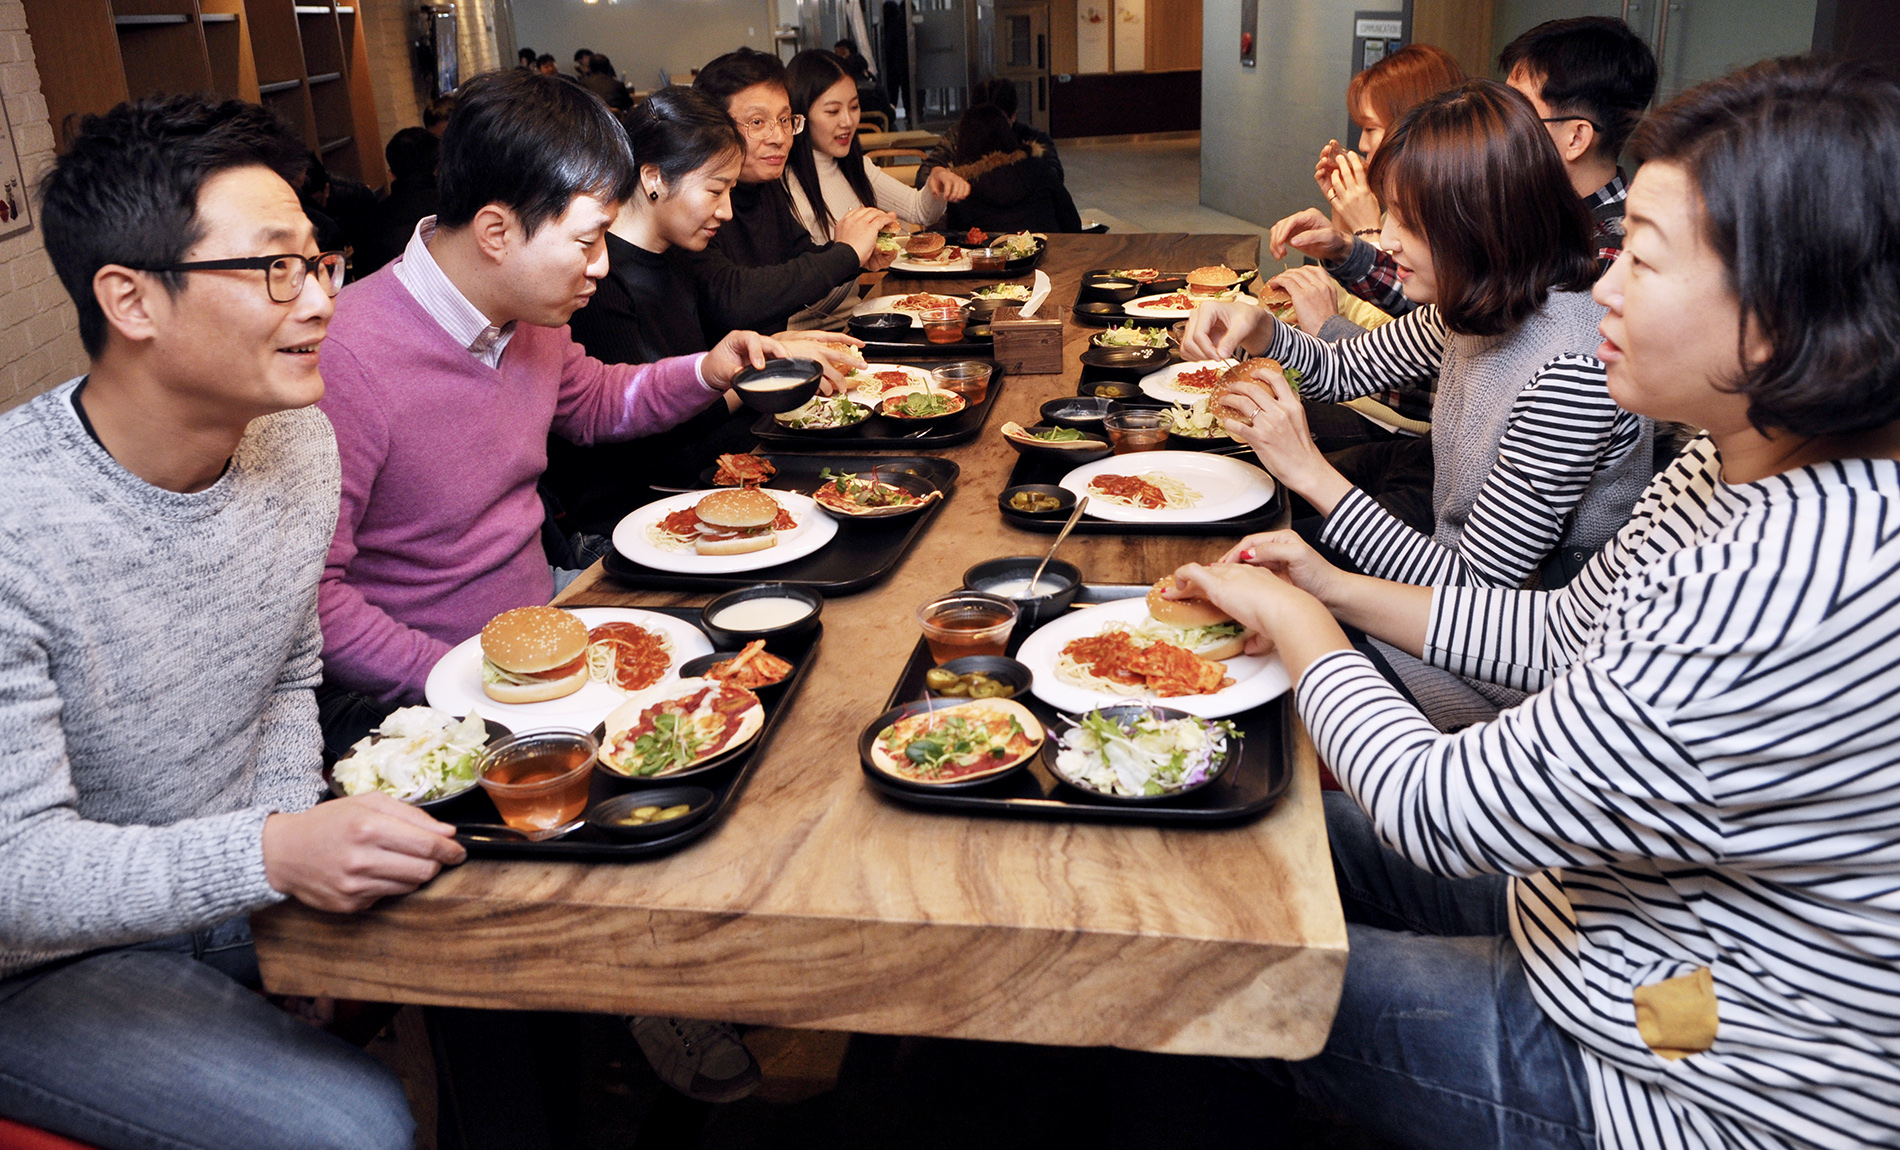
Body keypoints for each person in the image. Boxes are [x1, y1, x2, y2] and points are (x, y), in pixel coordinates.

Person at [1170, 55, 1900, 1150]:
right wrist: (1321, 579)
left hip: (1673, 1074)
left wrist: (1307, 622)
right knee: (1228, 837)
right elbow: (1557, 628)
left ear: (1783, 314)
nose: (1603, 285)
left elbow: (1441, 806)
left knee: (1201, 971)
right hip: (1606, 916)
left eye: (1642, 262)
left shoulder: (1792, 581)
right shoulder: (1731, 455)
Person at [0, 92, 463, 1150]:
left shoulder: (294, 441)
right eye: (272, 269)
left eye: (320, 260)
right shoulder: (14, 525)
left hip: (225, 877)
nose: (318, 302)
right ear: (131, 299)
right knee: (356, 1126)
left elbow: (288, 666)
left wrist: (271, 878)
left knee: (527, 907)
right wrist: (270, 857)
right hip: (37, 962)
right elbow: (13, 873)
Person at [314, 69, 785, 732]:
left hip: (559, 627)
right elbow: (317, 604)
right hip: (434, 700)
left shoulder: (529, 314)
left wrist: (708, 370)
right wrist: (469, 682)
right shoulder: (343, 359)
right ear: (497, 232)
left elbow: (594, 400)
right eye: (588, 240)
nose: (601, 265)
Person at [1186, 80, 1651, 731]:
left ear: (1479, 224)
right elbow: (1344, 368)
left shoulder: (1569, 367)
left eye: (1406, 218)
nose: (1387, 240)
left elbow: (1477, 600)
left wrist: (1311, 476)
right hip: (1440, 614)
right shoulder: (1481, 300)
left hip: (1507, 678)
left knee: (1233, 692)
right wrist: (1259, 328)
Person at [548, 86, 864, 558]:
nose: (727, 211)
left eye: (732, 190)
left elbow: (708, 362)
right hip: (630, 522)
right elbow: (645, 439)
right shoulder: (596, 281)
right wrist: (760, 376)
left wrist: (775, 346)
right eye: (715, 190)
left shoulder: (682, 256)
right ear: (653, 177)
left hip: (710, 483)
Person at [682, 48, 894, 339]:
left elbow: (801, 255)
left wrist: (859, 255)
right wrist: (845, 255)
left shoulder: (765, 185)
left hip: (772, 366)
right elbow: (732, 298)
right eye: (758, 122)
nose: (780, 138)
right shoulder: (693, 199)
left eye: (784, 120)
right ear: (712, 127)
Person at [781, 49, 968, 324]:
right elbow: (798, 301)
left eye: (854, 107)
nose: (848, 121)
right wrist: (852, 259)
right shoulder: (784, 185)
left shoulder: (856, 167)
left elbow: (919, 211)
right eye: (833, 111)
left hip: (859, 322)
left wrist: (936, 182)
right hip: (809, 335)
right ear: (800, 115)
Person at [1500, 17, 1659, 266]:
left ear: (1576, 138)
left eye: (1518, 112)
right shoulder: (1538, 216)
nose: (1499, 125)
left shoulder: (1607, 258)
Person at [941, 103, 1080, 235]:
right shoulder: (1039, 169)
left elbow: (956, 241)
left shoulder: (959, 188)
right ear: (1007, 135)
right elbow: (1072, 225)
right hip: (1050, 254)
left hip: (988, 259)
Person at [917, 77, 1063, 189]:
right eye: (982, 117)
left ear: (1013, 116)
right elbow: (924, 177)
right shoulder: (957, 134)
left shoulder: (1032, 139)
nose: (990, 125)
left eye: (998, 120)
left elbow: (1055, 178)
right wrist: (942, 176)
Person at [355, 126, 438, 277]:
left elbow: (363, 275)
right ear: (437, 168)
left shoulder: (369, 221)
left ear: (391, 175)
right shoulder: (458, 207)